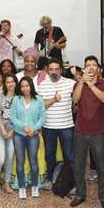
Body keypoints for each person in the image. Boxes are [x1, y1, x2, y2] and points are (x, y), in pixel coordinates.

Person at [70, 56, 104, 208]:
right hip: (80, 130)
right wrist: (82, 81)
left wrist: (92, 85)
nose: (91, 67)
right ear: (84, 68)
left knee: (101, 166)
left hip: (98, 131)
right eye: (88, 65)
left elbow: (103, 99)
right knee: (79, 165)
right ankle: (80, 194)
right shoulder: (78, 84)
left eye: (94, 65)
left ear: (99, 69)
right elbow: (75, 100)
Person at [38, 58, 76, 188]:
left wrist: (76, 75)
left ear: (61, 70)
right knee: (49, 155)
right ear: (47, 71)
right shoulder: (42, 85)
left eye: (56, 69)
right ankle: (50, 179)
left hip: (67, 126)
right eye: (51, 69)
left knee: (69, 156)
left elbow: (80, 91)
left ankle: (73, 183)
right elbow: (40, 106)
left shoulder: (70, 83)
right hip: (48, 127)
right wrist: (54, 99)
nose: (54, 72)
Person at [10, 76, 46, 199]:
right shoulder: (16, 99)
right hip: (19, 135)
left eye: (27, 86)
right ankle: (21, 187)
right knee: (20, 161)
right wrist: (23, 127)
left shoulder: (39, 99)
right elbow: (13, 117)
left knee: (33, 161)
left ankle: (35, 186)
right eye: (22, 86)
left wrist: (34, 129)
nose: (25, 88)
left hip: (33, 135)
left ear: (31, 86)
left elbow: (42, 117)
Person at [0, 73, 17, 194]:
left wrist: (12, 131)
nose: (10, 84)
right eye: (8, 82)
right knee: (1, 158)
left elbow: (22, 116)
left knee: (9, 158)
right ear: (4, 84)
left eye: (12, 81)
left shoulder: (19, 97)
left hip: (13, 129)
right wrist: (2, 129)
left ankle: (7, 183)